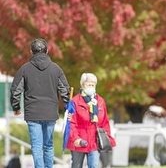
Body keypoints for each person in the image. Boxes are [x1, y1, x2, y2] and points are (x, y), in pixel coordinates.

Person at [10, 38, 70, 168]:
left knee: (37, 147)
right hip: (50, 113)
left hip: (33, 113)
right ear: (47, 51)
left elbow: (15, 91)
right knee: (48, 145)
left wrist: (16, 107)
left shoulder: (24, 69)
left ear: (31, 51)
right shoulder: (56, 69)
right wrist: (67, 106)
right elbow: (65, 89)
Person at [66, 73, 116, 168]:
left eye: (93, 85)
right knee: (76, 166)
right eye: (89, 85)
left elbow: (105, 122)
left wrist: (108, 138)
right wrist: (76, 139)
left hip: (94, 141)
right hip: (79, 141)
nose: (91, 87)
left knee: (94, 165)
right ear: (83, 85)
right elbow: (71, 123)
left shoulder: (100, 101)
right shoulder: (75, 102)